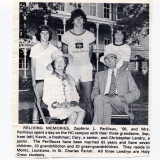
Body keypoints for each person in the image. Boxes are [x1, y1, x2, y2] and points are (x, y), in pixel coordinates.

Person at [62, 8, 95, 124]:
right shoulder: (66, 36)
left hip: (86, 67)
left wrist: (85, 64)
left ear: (84, 20)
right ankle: (69, 120)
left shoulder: (90, 35)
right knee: (70, 97)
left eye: (81, 18)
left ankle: (90, 122)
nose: (79, 20)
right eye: (76, 18)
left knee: (88, 98)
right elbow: (65, 55)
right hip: (72, 69)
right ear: (72, 21)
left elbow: (90, 54)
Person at [91, 52, 140, 125]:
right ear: (105, 62)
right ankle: (104, 131)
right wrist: (95, 99)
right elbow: (94, 92)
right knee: (105, 105)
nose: (109, 60)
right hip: (102, 102)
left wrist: (122, 98)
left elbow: (136, 92)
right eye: (106, 59)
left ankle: (95, 129)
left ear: (117, 61)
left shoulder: (126, 74)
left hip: (119, 104)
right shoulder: (99, 75)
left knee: (99, 99)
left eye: (112, 58)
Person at [42, 51, 86, 124]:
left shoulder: (69, 78)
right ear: (53, 65)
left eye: (61, 61)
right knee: (73, 115)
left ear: (65, 64)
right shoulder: (49, 78)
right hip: (56, 107)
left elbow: (75, 94)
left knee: (81, 113)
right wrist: (58, 104)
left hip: (69, 105)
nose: (59, 64)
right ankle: (67, 134)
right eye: (56, 62)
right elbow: (46, 97)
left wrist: (72, 103)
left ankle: (76, 133)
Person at [30, 25, 58, 124]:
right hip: (38, 79)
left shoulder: (54, 49)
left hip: (50, 79)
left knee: (51, 103)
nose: (45, 35)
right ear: (39, 35)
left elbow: (57, 66)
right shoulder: (35, 48)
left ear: (49, 35)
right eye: (42, 33)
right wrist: (33, 81)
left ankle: (51, 124)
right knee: (37, 103)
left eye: (47, 33)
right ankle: (35, 125)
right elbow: (33, 67)